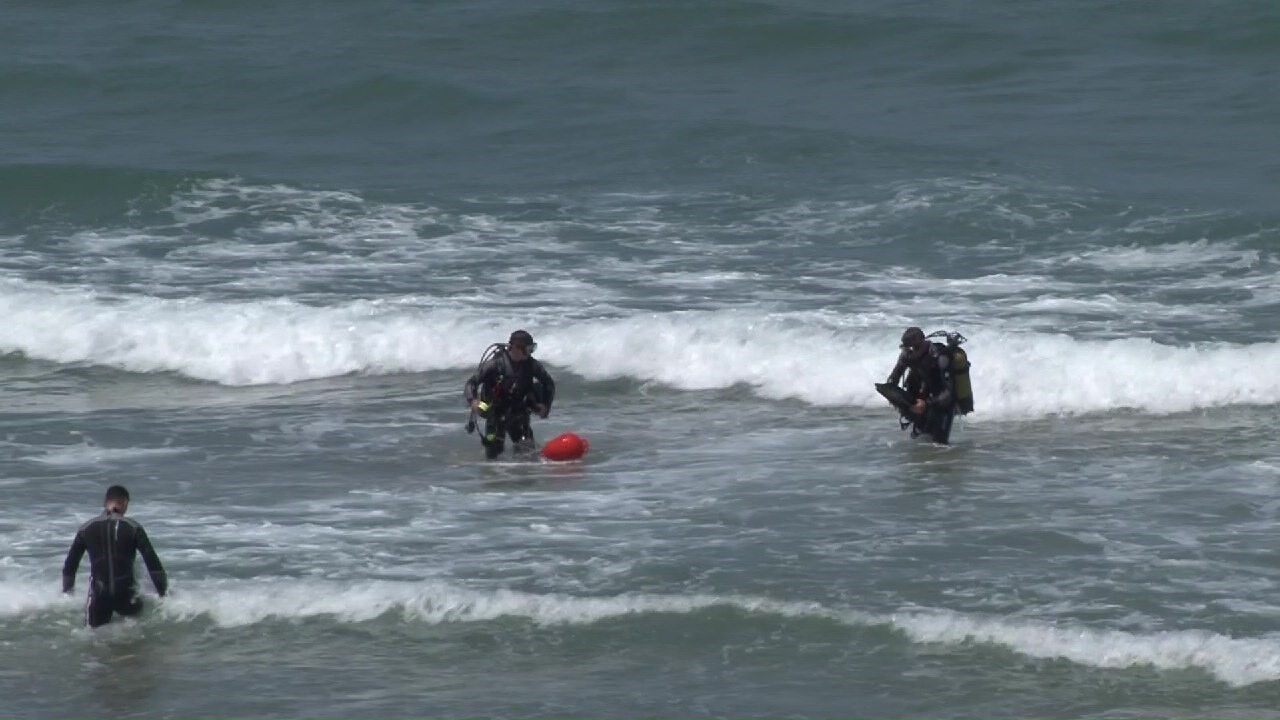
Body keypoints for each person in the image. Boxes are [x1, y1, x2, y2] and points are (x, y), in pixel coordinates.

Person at [62, 485, 168, 628]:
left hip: (99, 596)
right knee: (135, 637)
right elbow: (153, 564)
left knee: (93, 639)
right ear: (125, 503)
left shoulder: (86, 528)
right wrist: (163, 594)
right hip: (127, 594)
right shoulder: (133, 527)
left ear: (105, 502)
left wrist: (67, 594)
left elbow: (70, 566)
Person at [464, 329, 556, 459]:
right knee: (493, 453)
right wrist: (473, 401)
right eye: (528, 349)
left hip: (519, 412)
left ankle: (524, 476)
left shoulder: (532, 365)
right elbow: (471, 383)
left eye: (532, 349)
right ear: (516, 348)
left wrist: (545, 406)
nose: (530, 353)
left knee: (528, 452)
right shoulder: (495, 364)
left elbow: (549, 384)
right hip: (494, 412)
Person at [885, 326, 957, 444]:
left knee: (940, 446)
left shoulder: (939, 356)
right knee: (920, 444)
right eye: (907, 348)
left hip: (942, 403)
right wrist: (893, 395)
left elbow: (950, 393)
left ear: (923, 342)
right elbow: (893, 379)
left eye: (915, 347)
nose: (911, 351)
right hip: (921, 402)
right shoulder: (906, 355)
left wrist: (926, 404)